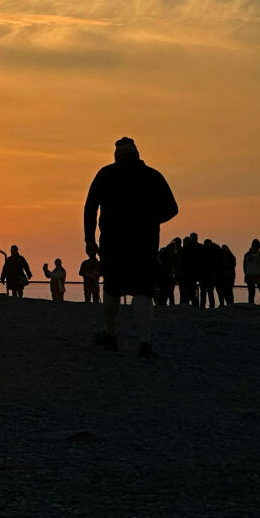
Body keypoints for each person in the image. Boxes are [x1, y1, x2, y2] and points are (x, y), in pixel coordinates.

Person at [85, 137, 178, 357]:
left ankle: (110, 335)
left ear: (117, 156)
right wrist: (151, 220)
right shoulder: (152, 176)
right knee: (143, 289)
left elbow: (90, 208)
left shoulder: (106, 175)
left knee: (112, 287)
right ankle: (145, 343)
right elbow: (172, 208)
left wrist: (89, 238)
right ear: (137, 154)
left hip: (113, 241)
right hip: (144, 242)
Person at [243, 239, 260, 308]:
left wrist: (246, 275)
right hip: (259, 276)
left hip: (249, 277)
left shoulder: (247, 254)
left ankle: (251, 306)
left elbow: (244, 266)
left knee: (251, 293)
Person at [199, 239, 222, 309]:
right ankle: (212, 305)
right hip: (212, 274)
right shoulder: (216, 248)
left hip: (203, 273)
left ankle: (202, 305)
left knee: (203, 291)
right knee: (210, 291)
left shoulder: (203, 249)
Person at [180, 233, 201, 306]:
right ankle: (194, 304)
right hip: (195, 272)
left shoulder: (186, 248)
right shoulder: (200, 247)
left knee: (187, 289)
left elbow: (182, 260)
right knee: (192, 290)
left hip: (187, 272)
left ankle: (187, 303)